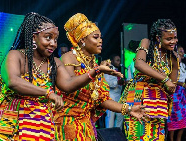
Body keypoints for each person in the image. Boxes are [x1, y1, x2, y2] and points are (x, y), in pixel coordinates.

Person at [0, 12, 124, 141]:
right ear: (33, 37)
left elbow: (68, 84)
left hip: (39, 123)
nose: (53, 43)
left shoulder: (55, 63)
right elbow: (13, 81)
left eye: (55, 39)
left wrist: (96, 70)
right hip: (11, 121)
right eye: (48, 37)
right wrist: (48, 93)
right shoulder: (16, 55)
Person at [54, 13, 149, 141]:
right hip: (68, 123)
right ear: (82, 40)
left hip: (86, 124)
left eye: (100, 37)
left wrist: (128, 109)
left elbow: (102, 99)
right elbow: (69, 85)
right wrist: (96, 71)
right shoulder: (68, 58)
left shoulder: (93, 64)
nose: (100, 40)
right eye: (95, 37)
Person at [119, 19, 179, 140]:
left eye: (175, 38)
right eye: (169, 39)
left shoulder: (173, 58)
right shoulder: (146, 43)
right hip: (138, 98)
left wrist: (167, 83)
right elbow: (139, 64)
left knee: (157, 137)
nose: (173, 41)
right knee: (137, 135)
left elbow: (172, 88)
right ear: (158, 38)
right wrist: (163, 78)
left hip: (158, 103)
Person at [167, 45, 186, 141]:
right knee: (173, 117)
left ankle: (179, 138)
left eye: (183, 51)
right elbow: (172, 81)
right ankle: (171, 139)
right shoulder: (171, 66)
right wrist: (183, 84)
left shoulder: (183, 65)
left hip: (182, 94)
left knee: (185, 118)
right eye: (180, 51)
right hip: (174, 93)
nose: (182, 53)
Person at [104, 54, 124, 129]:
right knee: (110, 117)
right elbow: (106, 83)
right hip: (110, 95)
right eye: (117, 60)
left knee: (120, 114)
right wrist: (117, 83)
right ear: (112, 61)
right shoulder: (108, 70)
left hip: (118, 95)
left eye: (119, 60)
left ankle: (117, 133)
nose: (119, 62)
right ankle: (108, 135)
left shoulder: (117, 70)